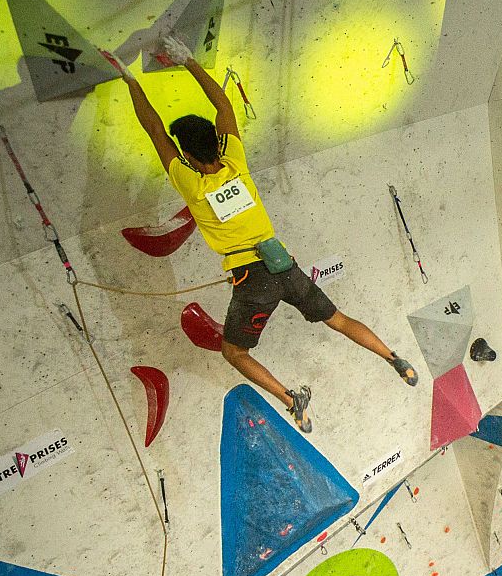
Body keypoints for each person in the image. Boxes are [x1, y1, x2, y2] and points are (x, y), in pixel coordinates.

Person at [103, 39, 417, 433]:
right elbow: (224, 108)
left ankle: (290, 398)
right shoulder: (236, 161)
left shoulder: (191, 183)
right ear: (216, 142)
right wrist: (189, 62)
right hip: (285, 266)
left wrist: (130, 79)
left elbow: (154, 131)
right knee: (336, 318)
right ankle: (393, 358)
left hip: (253, 281)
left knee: (234, 351)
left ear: (187, 156)